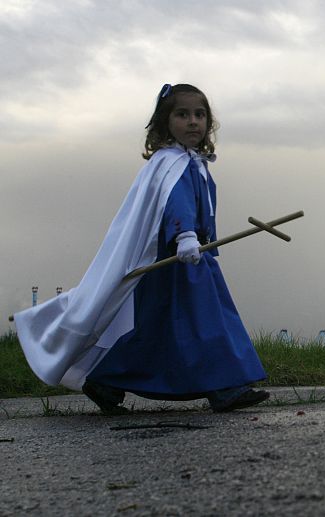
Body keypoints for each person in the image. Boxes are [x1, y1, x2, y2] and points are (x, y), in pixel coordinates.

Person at [14, 84, 268, 413]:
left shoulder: (193, 163)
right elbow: (175, 203)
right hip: (178, 260)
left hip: (191, 260)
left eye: (200, 115)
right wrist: (185, 235)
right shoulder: (171, 163)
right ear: (164, 123)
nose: (193, 121)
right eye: (183, 114)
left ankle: (107, 382)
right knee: (209, 321)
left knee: (155, 329)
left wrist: (202, 243)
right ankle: (225, 387)